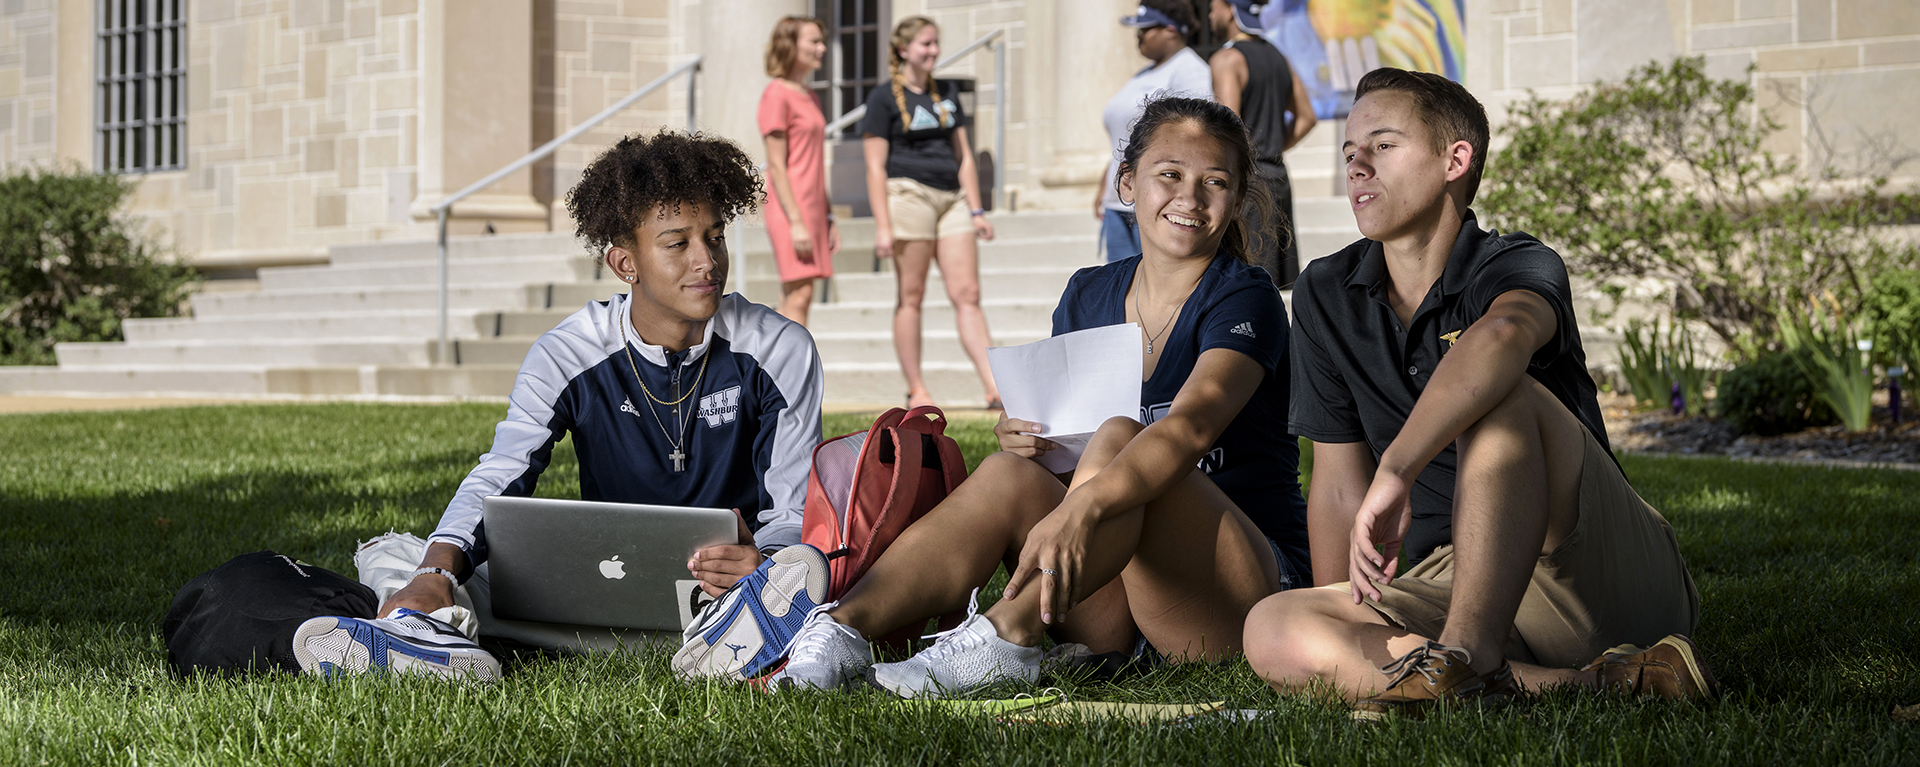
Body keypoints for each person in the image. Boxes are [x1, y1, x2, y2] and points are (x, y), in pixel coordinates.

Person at [761, 97, 1312, 698]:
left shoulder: (1246, 295)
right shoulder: (1089, 292)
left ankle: (1006, 636)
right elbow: (1064, 446)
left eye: (1215, 182)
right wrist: (1025, 438)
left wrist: (1083, 505)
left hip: (1237, 594)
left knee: (1123, 436)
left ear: (1234, 201)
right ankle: (836, 634)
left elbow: (1191, 429)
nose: (1190, 198)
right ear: (1127, 183)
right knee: (1004, 472)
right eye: (1170, 175)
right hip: (1112, 601)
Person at [1239, 68, 1711, 719]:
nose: (1357, 167)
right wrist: (1357, 609)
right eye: (1349, 153)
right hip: (1455, 582)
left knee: (1499, 389)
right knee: (1275, 626)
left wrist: (1398, 467)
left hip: (1590, 569)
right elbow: (1339, 482)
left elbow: (1501, 341)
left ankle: (1463, 657)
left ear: (1454, 159)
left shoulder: (1515, 263)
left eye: (1382, 145)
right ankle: (1584, 682)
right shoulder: (1325, 291)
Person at [290, 131, 825, 676]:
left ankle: (745, 631)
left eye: (714, 237)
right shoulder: (569, 351)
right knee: (411, 557)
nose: (706, 260)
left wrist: (765, 563)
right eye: (677, 243)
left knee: (811, 572)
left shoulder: (778, 348)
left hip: (731, 590)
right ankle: (421, 633)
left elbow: (792, 509)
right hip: (606, 590)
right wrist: (438, 570)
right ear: (625, 264)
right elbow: (504, 470)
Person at [859, 16, 1001, 410]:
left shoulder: (948, 92)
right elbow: (873, 166)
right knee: (912, 295)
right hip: (908, 196)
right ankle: (916, 387)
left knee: (967, 293)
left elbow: (964, 156)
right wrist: (883, 226)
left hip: (953, 199)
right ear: (904, 50)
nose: (933, 51)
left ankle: (993, 386)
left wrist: (976, 209)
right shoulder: (883, 98)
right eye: (925, 44)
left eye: (936, 43)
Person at [1096, 1, 1215, 263]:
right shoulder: (1142, 75)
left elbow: (1194, 140)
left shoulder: (1190, 72)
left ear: (1171, 30)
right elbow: (1127, 138)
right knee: (1119, 291)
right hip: (1119, 203)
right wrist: (1105, 185)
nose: (1138, 35)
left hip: (1155, 205)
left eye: (1145, 29)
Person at [1207, 0, 1315, 287]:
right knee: (1276, 287)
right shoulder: (1279, 57)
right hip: (1278, 177)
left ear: (1229, 10)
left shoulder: (1227, 60)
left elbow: (1227, 128)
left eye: (1213, 7)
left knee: (1247, 286)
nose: (1210, 14)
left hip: (1249, 185)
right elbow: (1307, 117)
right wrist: (1273, 147)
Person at [758, 15, 839, 326]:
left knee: (796, 294)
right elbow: (776, 164)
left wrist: (829, 216)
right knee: (800, 295)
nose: (822, 48)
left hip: (813, 207)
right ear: (790, 45)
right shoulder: (776, 94)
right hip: (789, 207)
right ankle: (792, 373)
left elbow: (815, 162)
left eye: (822, 41)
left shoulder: (810, 96)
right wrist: (797, 222)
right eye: (814, 41)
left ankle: (767, 370)